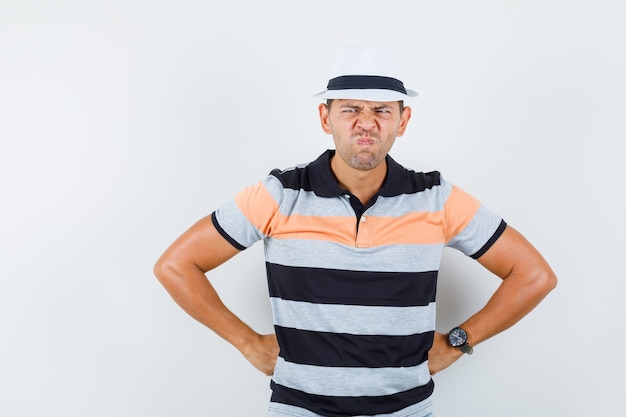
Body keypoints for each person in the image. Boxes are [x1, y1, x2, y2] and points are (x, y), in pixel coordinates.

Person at [153, 47, 557, 417]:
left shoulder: (436, 198)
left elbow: (534, 276)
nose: (366, 123)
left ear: (403, 120)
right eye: (351, 109)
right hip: (299, 409)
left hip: (406, 410)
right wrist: (246, 342)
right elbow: (176, 265)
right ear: (325, 118)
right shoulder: (279, 195)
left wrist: (457, 341)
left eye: (382, 110)